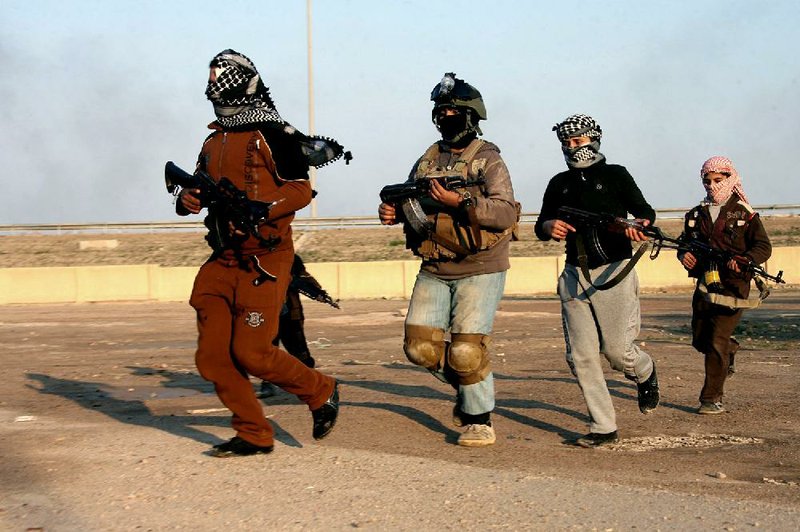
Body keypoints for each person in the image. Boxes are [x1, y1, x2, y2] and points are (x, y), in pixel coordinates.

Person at [175, 49, 348, 457]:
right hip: (223, 259)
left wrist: (264, 209)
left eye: (222, 74)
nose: (214, 81)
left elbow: (301, 189)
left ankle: (321, 390)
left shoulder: (273, 133)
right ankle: (254, 433)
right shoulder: (212, 138)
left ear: (242, 80)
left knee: (252, 353)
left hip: (265, 260)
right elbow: (195, 189)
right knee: (212, 360)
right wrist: (188, 199)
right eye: (212, 74)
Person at [378, 73, 519, 447]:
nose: (446, 117)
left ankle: (479, 418)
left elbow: (505, 213)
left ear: (472, 115)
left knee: (466, 350)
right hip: (435, 266)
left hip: (480, 266)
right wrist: (392, 212)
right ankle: (468, 384)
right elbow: (411, 204)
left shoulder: (487, 160)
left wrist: (462, 203)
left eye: (454, 110)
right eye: (441, 111)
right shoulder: (428, 160)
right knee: (420, 349)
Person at [534, 114, 660, 448]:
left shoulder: (616, 174)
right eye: (566, 143)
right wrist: (549, 228)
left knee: (617, 353)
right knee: (581, 356)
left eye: (578, 141)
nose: (572, 147)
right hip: (575, 275)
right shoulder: (559, 183)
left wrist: (640, 225)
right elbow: (542, 221)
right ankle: (603, 426)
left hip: (614, 272)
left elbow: (644, 211)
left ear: (593, 139)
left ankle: (644, 371)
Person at [678, 156, 772, 415]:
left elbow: (763, 246)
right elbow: (685, 242)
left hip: (734, 286)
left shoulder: (744, 213)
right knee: (701, 339)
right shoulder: (696, 214)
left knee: (717, 339)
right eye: (707, 181)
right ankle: (730, 350)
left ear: (730, 179)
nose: (711, 186)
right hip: (706, 282)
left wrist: (745, 260)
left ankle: (711, 398)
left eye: (718, 180)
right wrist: (684, 254)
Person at [258, 254, 322, 398]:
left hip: (290, 315)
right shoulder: (256, 259)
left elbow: (304, 278)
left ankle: (311, 383)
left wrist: (318, 291)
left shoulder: (292, 259)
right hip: (268, 315)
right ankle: (267, 384)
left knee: (300, 352)